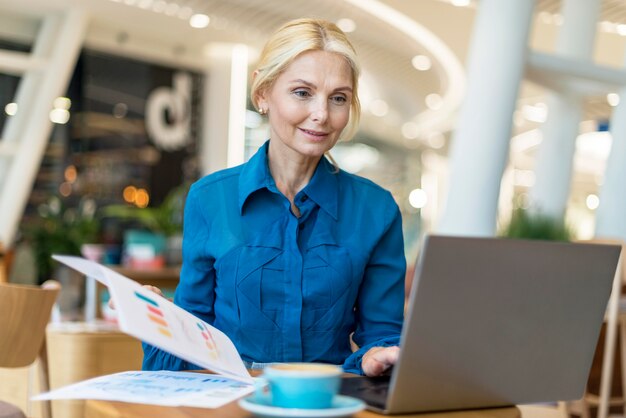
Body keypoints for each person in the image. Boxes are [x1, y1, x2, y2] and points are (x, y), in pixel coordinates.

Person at [142, 17, 405, 377]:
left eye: (338, 98)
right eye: (302, 92)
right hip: (232, 402)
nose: (322, 115)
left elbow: (383, 333)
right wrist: (160, 323)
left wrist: (377, 357)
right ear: (263, 93)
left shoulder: (376, 210)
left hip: (326, 402)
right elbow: (195, 328)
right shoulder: (210, 198)